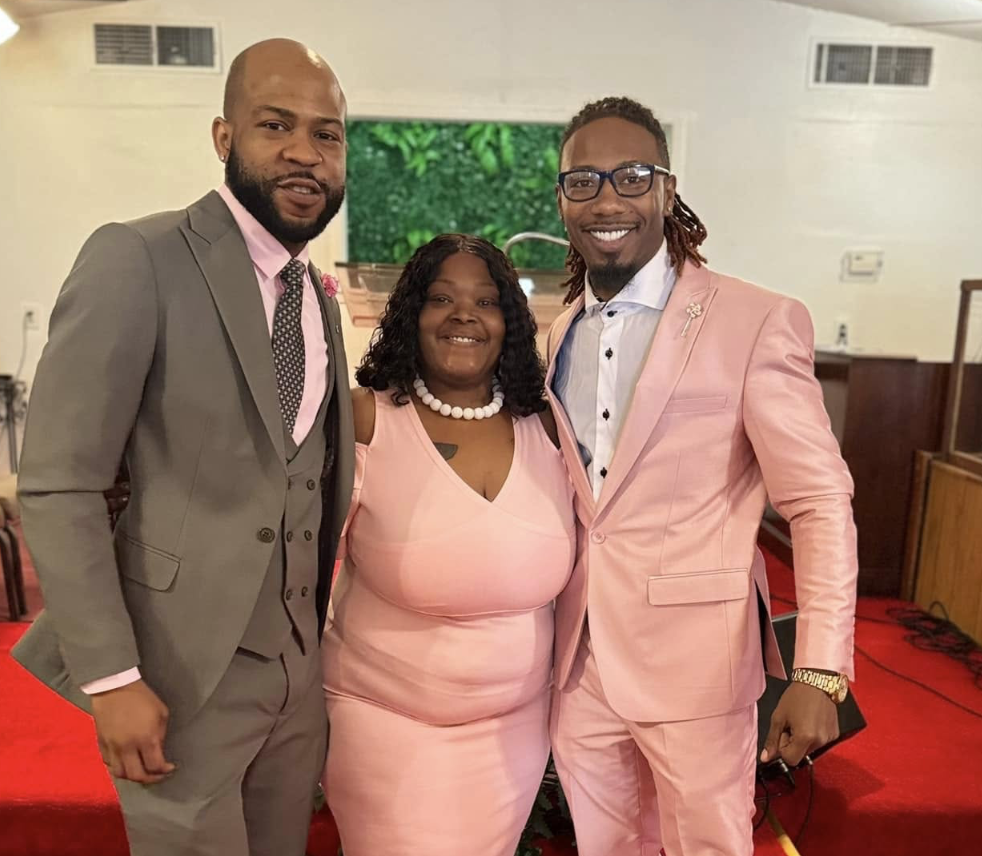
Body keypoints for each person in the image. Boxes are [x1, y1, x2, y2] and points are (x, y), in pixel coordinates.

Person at [12, 39, 354, 856]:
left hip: (296, 679)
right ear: (224, 136)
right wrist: (113, 678)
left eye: (328, 133)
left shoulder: (318, 299)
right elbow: (60, 483)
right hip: (178, 672)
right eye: (276, 125)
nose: (305, 152)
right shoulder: (139, 258)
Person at [544, 97, 859, 856]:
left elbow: (818, 501)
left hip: (697, 665)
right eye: (583, 180)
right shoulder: (559, 332)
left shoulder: (754, 320)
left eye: (630, 176)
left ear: (666, 186)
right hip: (580, 663)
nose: (607, 198)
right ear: (561, 199)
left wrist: (820, 674)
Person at [321, 234, 575, 856]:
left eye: (487, 302)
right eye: (442, 298)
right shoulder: (367, 419)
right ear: (412, 315)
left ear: (509, 323)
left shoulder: (547, 427)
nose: (465, 314)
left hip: (512, 733)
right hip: (385, 725)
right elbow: (301, 564)